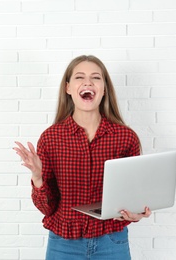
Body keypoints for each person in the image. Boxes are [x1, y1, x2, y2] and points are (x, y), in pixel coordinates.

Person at [13, 55, 151, 260]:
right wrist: (38, 177)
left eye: (96, 77)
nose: (88, 82)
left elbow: (132, 196)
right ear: (68, 88)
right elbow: (47, 208)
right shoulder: (51, 138)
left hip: (111, 240)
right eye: (80, 77)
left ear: (104, 89)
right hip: (63, 244)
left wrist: (137, 212)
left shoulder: (125, 138)